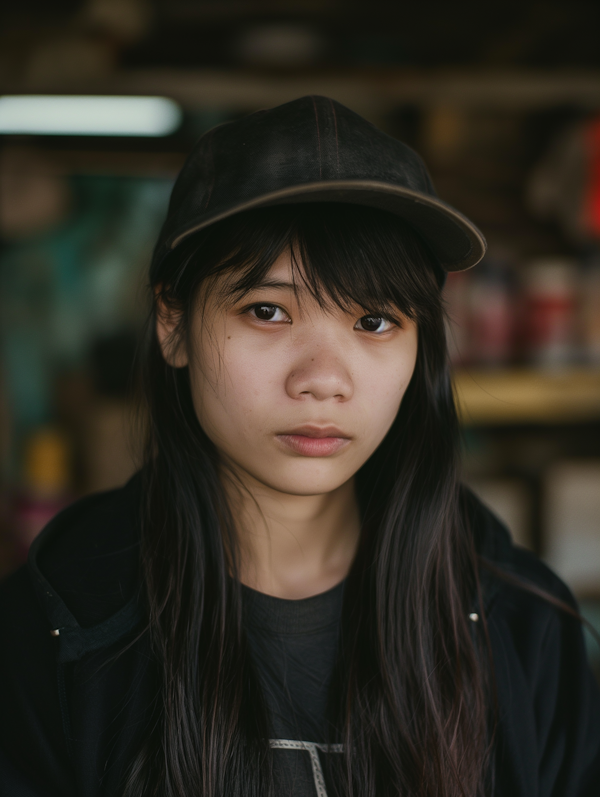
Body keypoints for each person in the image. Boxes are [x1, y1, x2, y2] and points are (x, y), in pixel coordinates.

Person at [0, 95, 599, 797]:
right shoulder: (53, 629)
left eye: (374, 320)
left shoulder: (519, 621)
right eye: (267, 310)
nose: (323, 380)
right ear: (173, 321)